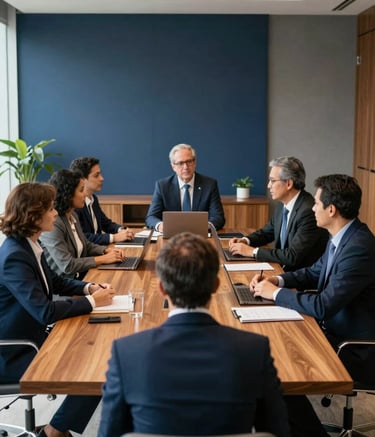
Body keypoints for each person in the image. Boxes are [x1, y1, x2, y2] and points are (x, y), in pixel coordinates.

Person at [99, 232, 290, 437]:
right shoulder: (254, 350)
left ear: (162, 289)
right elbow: (277, 431)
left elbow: (109, 432)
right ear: (216, 286)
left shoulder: (127, 352)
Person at [250, 174, 375, 437]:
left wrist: (274, 295)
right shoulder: (342, 235)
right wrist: (278, 279)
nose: (312, 207)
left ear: (332, 209)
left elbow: (323, 306)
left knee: (277, 373)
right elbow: (313, 272)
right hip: (331, 332)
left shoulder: (359, 247)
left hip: (354, 349)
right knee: (267, 360)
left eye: (316, 203)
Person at [0, 182, 117, 437]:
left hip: (36, 336)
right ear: (34, 215)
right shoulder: (14, 256)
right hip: (14, 350)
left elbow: (56, 281)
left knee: (98, 358)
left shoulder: (29, 244)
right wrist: (94, 303)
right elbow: (44, 311)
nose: (55, 214)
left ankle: (56, 430)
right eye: (50, 209)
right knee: (97, 370)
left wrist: (89, 287)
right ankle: (54, 432)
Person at [229, 156, 328, 271]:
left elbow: (293, 256)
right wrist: (246, 240)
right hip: (281, 269)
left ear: (289, 184)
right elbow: (267, 232)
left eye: (272, 181)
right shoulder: (283, 204)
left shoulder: (308, 211)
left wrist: (251, 251)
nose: (268, 185)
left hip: (299, 278)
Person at [40, 169, 125, 279]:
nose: (85, 194)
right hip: (65, 288)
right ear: (68, 194)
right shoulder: (54, 224)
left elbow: (86, 244)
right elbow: (68, 265)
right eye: (81, 190)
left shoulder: (73, 215)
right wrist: (104, 259)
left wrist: (105, 250)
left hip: (82, 277)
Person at [145, 143, 225, 231]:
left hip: (200, 236)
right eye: (180, 163)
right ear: (173, 166)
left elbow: (218, 217)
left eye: (189, 161)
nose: (186, 167)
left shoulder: (209, 185)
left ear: (195, 163)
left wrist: (206, 225)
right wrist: (160, 225)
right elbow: (151, 217)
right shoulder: (163, 186)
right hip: (172, 238)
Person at [70, 156, 134, 245]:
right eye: (96, 175)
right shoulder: (75, 206)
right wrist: (114, 237)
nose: (102, 178)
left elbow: (105, 223)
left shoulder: (93, 199)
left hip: (99, 250)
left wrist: (122, 230)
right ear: (82, 179)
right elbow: (83, 237)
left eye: (100, 174)